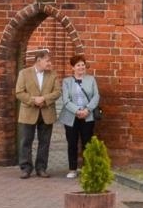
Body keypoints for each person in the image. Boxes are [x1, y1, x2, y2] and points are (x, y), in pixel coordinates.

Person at [14, 49, 61, 178]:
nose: (49, 63)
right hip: (28, 112)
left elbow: (57, 92)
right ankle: (26, 168)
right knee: (26, 141)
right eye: (47, 60)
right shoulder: (24, 73)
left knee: (44, 142)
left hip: (47, 112)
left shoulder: (53, 74)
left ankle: (41, 168)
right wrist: (33, 100)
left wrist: (44, 99)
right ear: (38, 60)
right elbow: (19, 92)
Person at [58, 54, 101, 180]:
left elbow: (96, 96)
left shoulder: (91, 79)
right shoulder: (67, 82)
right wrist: (77, 111)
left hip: (88, 116)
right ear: (73, 67)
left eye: (83, 65)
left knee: (87, 142)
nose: (81, 67)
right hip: (71, 116)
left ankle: (87, 168)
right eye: (78, 65)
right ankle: (72, 169)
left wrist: (87, 110)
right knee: (72, 142)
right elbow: (66, 100)